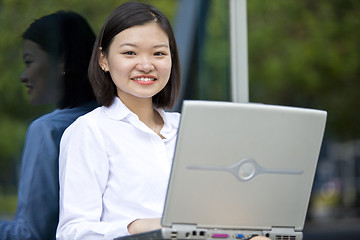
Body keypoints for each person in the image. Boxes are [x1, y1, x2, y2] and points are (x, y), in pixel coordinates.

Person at [56, 2, 270, 240]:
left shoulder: (191, 129)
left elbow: (215, 217)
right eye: (130, 53)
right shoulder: (90, 131)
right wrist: (139, 226)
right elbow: (73, 233)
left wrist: (247, 235)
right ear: (103, 60)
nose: (146, 65)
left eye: (159, 53)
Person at [0, 11, 97, 240]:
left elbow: (31, 234)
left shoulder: (49, 130)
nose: (24, 76)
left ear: (61, 60)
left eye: (29, 62)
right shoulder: (114, 120)